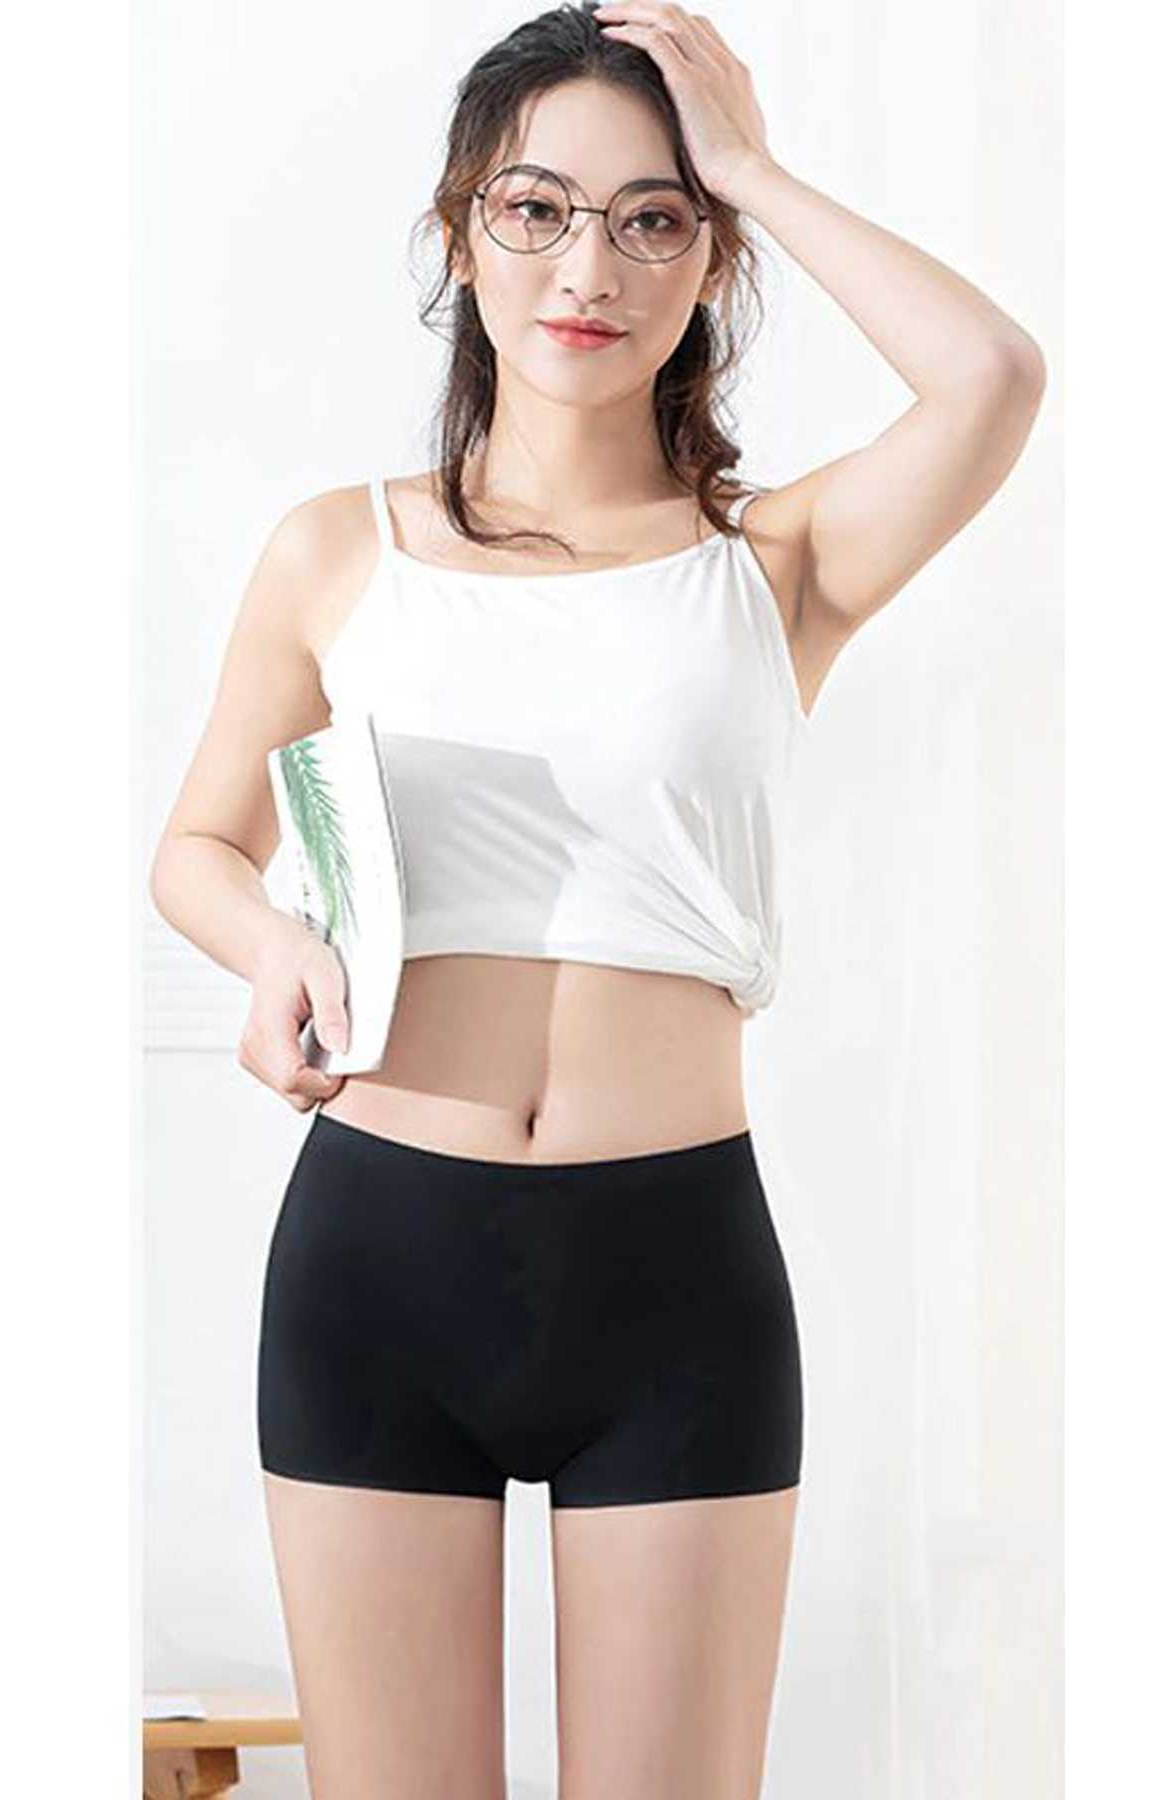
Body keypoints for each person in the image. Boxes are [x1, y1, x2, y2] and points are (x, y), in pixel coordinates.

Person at [149, 4, 1046, 1795]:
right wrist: (276, 949)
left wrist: (754, 167)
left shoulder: (772, 563)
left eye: (653, 220)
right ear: (458, 231)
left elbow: (992, 380)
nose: (590, 267)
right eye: (538, 208)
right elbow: (197, 849)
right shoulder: (338, 549)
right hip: (379, 1256)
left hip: (675, 1274)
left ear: (711, 262)